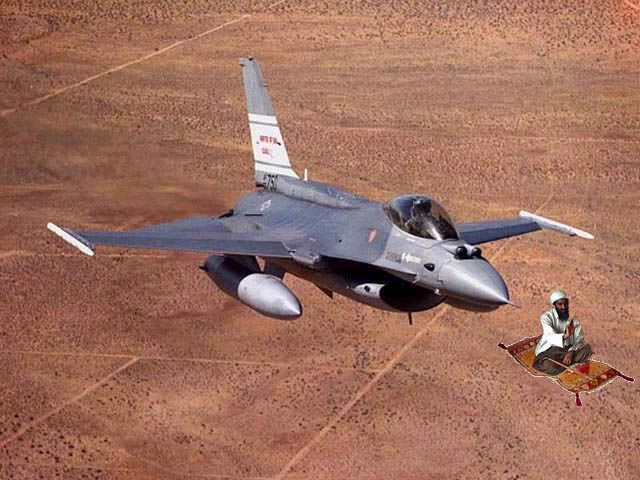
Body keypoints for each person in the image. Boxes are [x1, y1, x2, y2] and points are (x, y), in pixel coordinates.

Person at [532, 290, 593, 375]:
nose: (563, 307)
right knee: (549, 365)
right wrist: (565, 336)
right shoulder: (546, 317)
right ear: (554, 305)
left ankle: (563, 364)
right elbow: (550, 337)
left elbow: (579, 339)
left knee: (587, 350)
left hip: (566, 349)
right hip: (549, 350)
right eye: (560, 304)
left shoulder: (573, 319)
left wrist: (571, 351)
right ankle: (567, 365)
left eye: (565, 303)